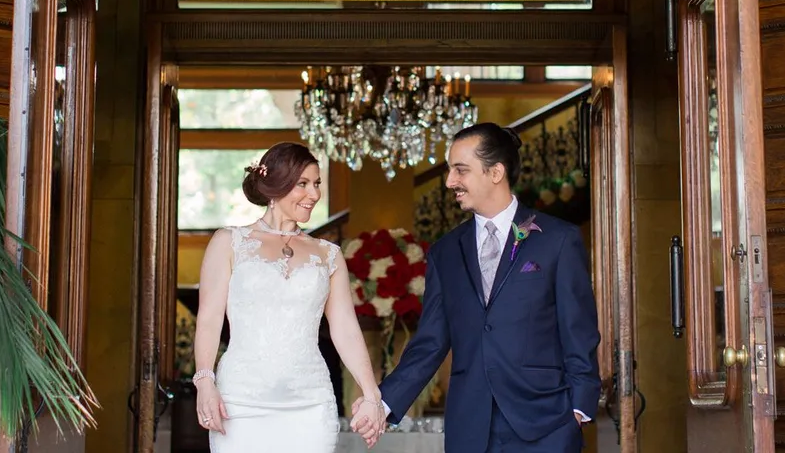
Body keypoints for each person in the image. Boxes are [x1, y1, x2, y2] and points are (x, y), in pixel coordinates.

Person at [356, 123, 600, 452]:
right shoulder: (444, 252)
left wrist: (579, 408)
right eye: (449, 171)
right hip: (470, 428)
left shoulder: (558, 239)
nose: (449, 182)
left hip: (547, 424)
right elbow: (430, 343)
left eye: (460, 170)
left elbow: (578, 330)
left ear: (495, 172)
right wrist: (382, 404)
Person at [193, 141, 386, 452]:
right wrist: (204, 380)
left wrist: (371, 394)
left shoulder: (329, 254)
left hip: (309, 404)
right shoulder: (228, 242)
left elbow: (346, 329)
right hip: (240, 402)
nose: (314, 195)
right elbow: (210, 319)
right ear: (275, 187)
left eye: (318, 184)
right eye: (303, 184)